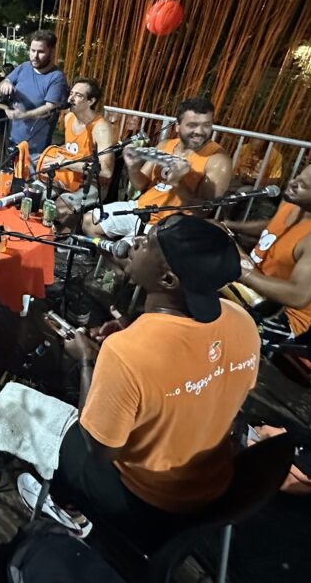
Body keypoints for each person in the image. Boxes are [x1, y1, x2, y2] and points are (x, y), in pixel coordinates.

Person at [54, 215, 260, 541]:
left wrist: (88, 362)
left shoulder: (126, 353)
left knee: (56, 430)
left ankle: (70, 512)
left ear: (167, 280)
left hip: (149, 502)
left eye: (147, 243)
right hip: (212, 485)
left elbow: (100, 449)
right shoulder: (242, 321)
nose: (134, 243)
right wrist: (132, 329)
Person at [224, 157, 311, 343]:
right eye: (298, 177)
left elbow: (297, 295)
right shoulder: (297, 203)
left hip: (277, 316)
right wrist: (229, 226)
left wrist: (239, 270)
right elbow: (275, 227)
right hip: (251, 283)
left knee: (197, 315)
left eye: (303, 185)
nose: (292, 184)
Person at [83, 96, 232, 244]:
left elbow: (202, 211)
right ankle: (118, 263)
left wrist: (178, 183)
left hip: (174, 224)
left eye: (206, 125)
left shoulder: (218, 160)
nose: (200, 131)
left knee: (134, 254)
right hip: (142, 209)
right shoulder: (165, 145)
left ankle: (125, 262)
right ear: (178, 126)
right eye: (192, 125)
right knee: (90, 221)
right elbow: (141, 185)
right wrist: (133, 168)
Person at [37, 78, 116, 224]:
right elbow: (72, 150)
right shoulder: (69, 118)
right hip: (69, 177)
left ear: (90, 101)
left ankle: (62, 244)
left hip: (92, 183)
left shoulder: (101, 128)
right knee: (33, 194)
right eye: (71, 93)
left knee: (60, 207)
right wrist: (51, 157)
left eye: (78, 95)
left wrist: (67, 163)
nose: (71, 98)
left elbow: (106, 171)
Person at [0, 30, 67, 158]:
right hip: (12, 139)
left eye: (40, 52)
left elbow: (49, 107)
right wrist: (5, 83)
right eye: (32, 50)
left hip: (35, 147)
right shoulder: (24, 67)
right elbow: (4, 83)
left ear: (51, 51)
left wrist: (24, 115)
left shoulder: (57, 77)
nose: (35, 55)